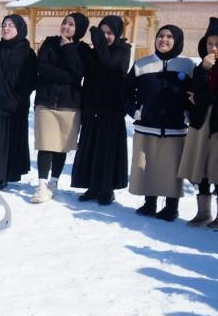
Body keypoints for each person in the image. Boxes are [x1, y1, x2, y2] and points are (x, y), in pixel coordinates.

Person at [127, 25, 195, 220]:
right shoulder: (141, 64)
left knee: (171, 169)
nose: (164, 40)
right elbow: (126, 93)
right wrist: (135, 112)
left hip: (175, 128)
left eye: (169, 37)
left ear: (178, 41)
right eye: (160, 36)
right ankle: (150, 203)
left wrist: (187, 115)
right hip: (146, 126)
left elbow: (194, 93)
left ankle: (171, 208)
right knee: (148, 166)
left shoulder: (187, 66)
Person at [72, 16, 132, 205]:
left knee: (107, 151)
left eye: (109, 33)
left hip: (111, 109)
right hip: (92, 106)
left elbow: (109, 62)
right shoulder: (95, 52)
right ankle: (92, 186)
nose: (105, 37)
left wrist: (97, 40)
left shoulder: (122, 50)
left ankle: (107, 189)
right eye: (102, 32)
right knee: (91, 148)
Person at [31, 13, 88, 204]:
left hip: (69, 104)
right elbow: (42, 68)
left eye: (71, 24)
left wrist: (69, 49)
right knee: (46, 145)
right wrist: (65, 75)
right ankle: (42, 185)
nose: (66, 27)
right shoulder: (49, 43)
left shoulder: (82, 49)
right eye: (65, 23)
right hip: (46, 101)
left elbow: (77, 73)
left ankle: (54, 183)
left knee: (61, 146)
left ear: (79, 28)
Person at [0, 15, 36, 189]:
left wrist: (18, 98)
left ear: (19, 29)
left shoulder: (27, 52)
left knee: (9, 141)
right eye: (3, 25)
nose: (6, 28)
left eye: (10, 25)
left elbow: (31, 79)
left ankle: (4, 175)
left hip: (16, 106)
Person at [179, 18, 218, 228]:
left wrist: (201, 98)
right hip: (200, 123)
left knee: (217, 168)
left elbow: (202, 96)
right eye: (210, 44)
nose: (214, 48)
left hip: (217, 125)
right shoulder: (201, 66)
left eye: (217, 44)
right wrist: (203, 69)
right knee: (200, 166)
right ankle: (203, 213)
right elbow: (191, 91)